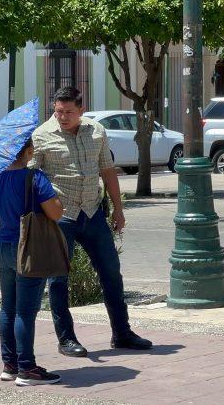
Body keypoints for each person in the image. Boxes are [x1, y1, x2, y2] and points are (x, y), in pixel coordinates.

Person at [31, 86, 152, 357]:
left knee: (111, 272)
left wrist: (118, 210)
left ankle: (122, 332)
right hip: (61, 215)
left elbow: (107, 171)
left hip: (93, 212)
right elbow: (31, 177)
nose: (63, 117)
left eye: (69, 112)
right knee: (59, 279)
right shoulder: (41, 136)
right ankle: (66, 339)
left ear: (81, 109)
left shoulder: (96, 131)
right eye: (58, 111)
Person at [0, 138, 63, 386]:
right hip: (28, 247)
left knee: (8, 308)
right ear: (28, 151)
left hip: (2, 245)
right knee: (25, 311)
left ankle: (9, 365)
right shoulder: (34, 177)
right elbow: (55, 212)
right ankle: (27, 368)